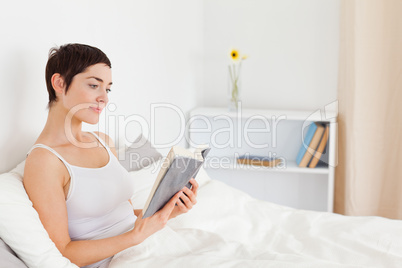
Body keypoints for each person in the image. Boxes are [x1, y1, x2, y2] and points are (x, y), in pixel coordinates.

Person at [23, 43, 198, 268]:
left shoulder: (103, 141)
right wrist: (135, 237)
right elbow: (63, 252)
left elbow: (122, 216)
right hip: (119, 259)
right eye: (94, 85)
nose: (104, 98)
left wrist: (167, 213)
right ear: (59, 83)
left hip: (149, 246)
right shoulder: (44, 161)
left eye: (107, 89)